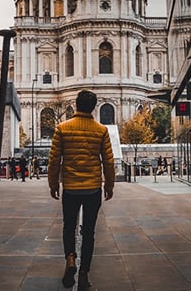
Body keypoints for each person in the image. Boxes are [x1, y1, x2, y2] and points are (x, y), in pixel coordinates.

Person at [48, 90, 115, 290]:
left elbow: (54, 161)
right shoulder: (101, 130)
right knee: (89, 232)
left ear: (76, 105)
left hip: (70, 187)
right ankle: (84, 273)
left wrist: (53, 184)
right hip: (93, 188)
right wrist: (109, 185)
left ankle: (70, 259)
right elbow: (108, 162)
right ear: (93, 107)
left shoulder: (62, 128)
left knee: (69, 227)